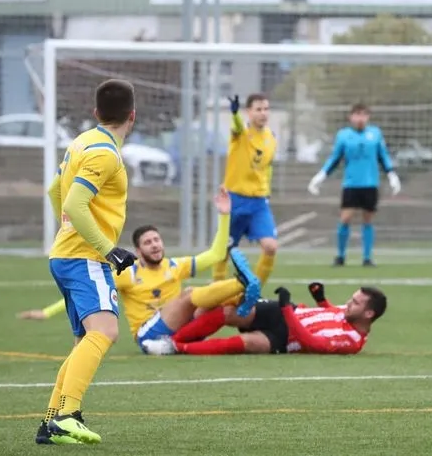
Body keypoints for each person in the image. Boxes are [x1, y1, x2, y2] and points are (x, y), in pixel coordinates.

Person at [18, 187, 256, 351]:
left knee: (224, 309)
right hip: (149, 334)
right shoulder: (128, 274)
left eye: (157, 240)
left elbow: (215, 254)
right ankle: (241, 283)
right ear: (138, 250)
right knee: (191, 294)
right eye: (148, 242)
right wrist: (47, 313)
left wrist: (224, 215)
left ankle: (256, 309)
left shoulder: (175, 266)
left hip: (178, 332)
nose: (155, 245)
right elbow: (86, 291)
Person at [37, 78, 139, 445]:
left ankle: (52, 420)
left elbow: (54, 190)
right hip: (86, 258)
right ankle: (66, 416)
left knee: (85, 340)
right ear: (133, 115)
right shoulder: (104, 153)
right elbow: (73, 204)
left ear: (96, 113)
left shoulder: (82, 142)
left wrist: (65, 234)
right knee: (105, 332)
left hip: (68, 254)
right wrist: (107, 249)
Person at [145, 282, 387, 356]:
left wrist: (286, 310)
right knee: (229, 312)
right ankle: (173, 338)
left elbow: (312, 342)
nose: (349, 302)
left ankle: (177, 347)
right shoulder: (347, 312)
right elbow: (331, 314)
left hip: (286, 335)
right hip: (285, 311)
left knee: (246, 344)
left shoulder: (351, 342)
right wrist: (321, 300)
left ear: (368, 314)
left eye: (355, 302)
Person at [307, 103, 401, 267]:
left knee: (368, 220)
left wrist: (392, 174)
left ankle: (367, 257)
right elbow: (335, 159)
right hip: (351, 184)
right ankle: (340, 256)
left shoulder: (375, 134)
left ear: (368, 117)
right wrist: (320, 176)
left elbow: (383, 156)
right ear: (351, 117)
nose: (360, 119)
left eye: (363, 115)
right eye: (357, 115)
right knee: (345, 218)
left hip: (370, 184)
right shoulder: (344, 135)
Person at [217, 93, 278, 303]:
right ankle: (217, 291)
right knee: (224, 250)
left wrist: (266, 190)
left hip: (259, 202)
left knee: (270, 246)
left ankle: (254, 293)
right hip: (235, 199)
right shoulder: (241, 132)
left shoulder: (271, 137)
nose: (263, 113)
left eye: (266, 109)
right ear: (249, 112)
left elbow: (266, 168)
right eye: (258, 109)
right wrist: (234, 113)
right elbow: (237, 126)